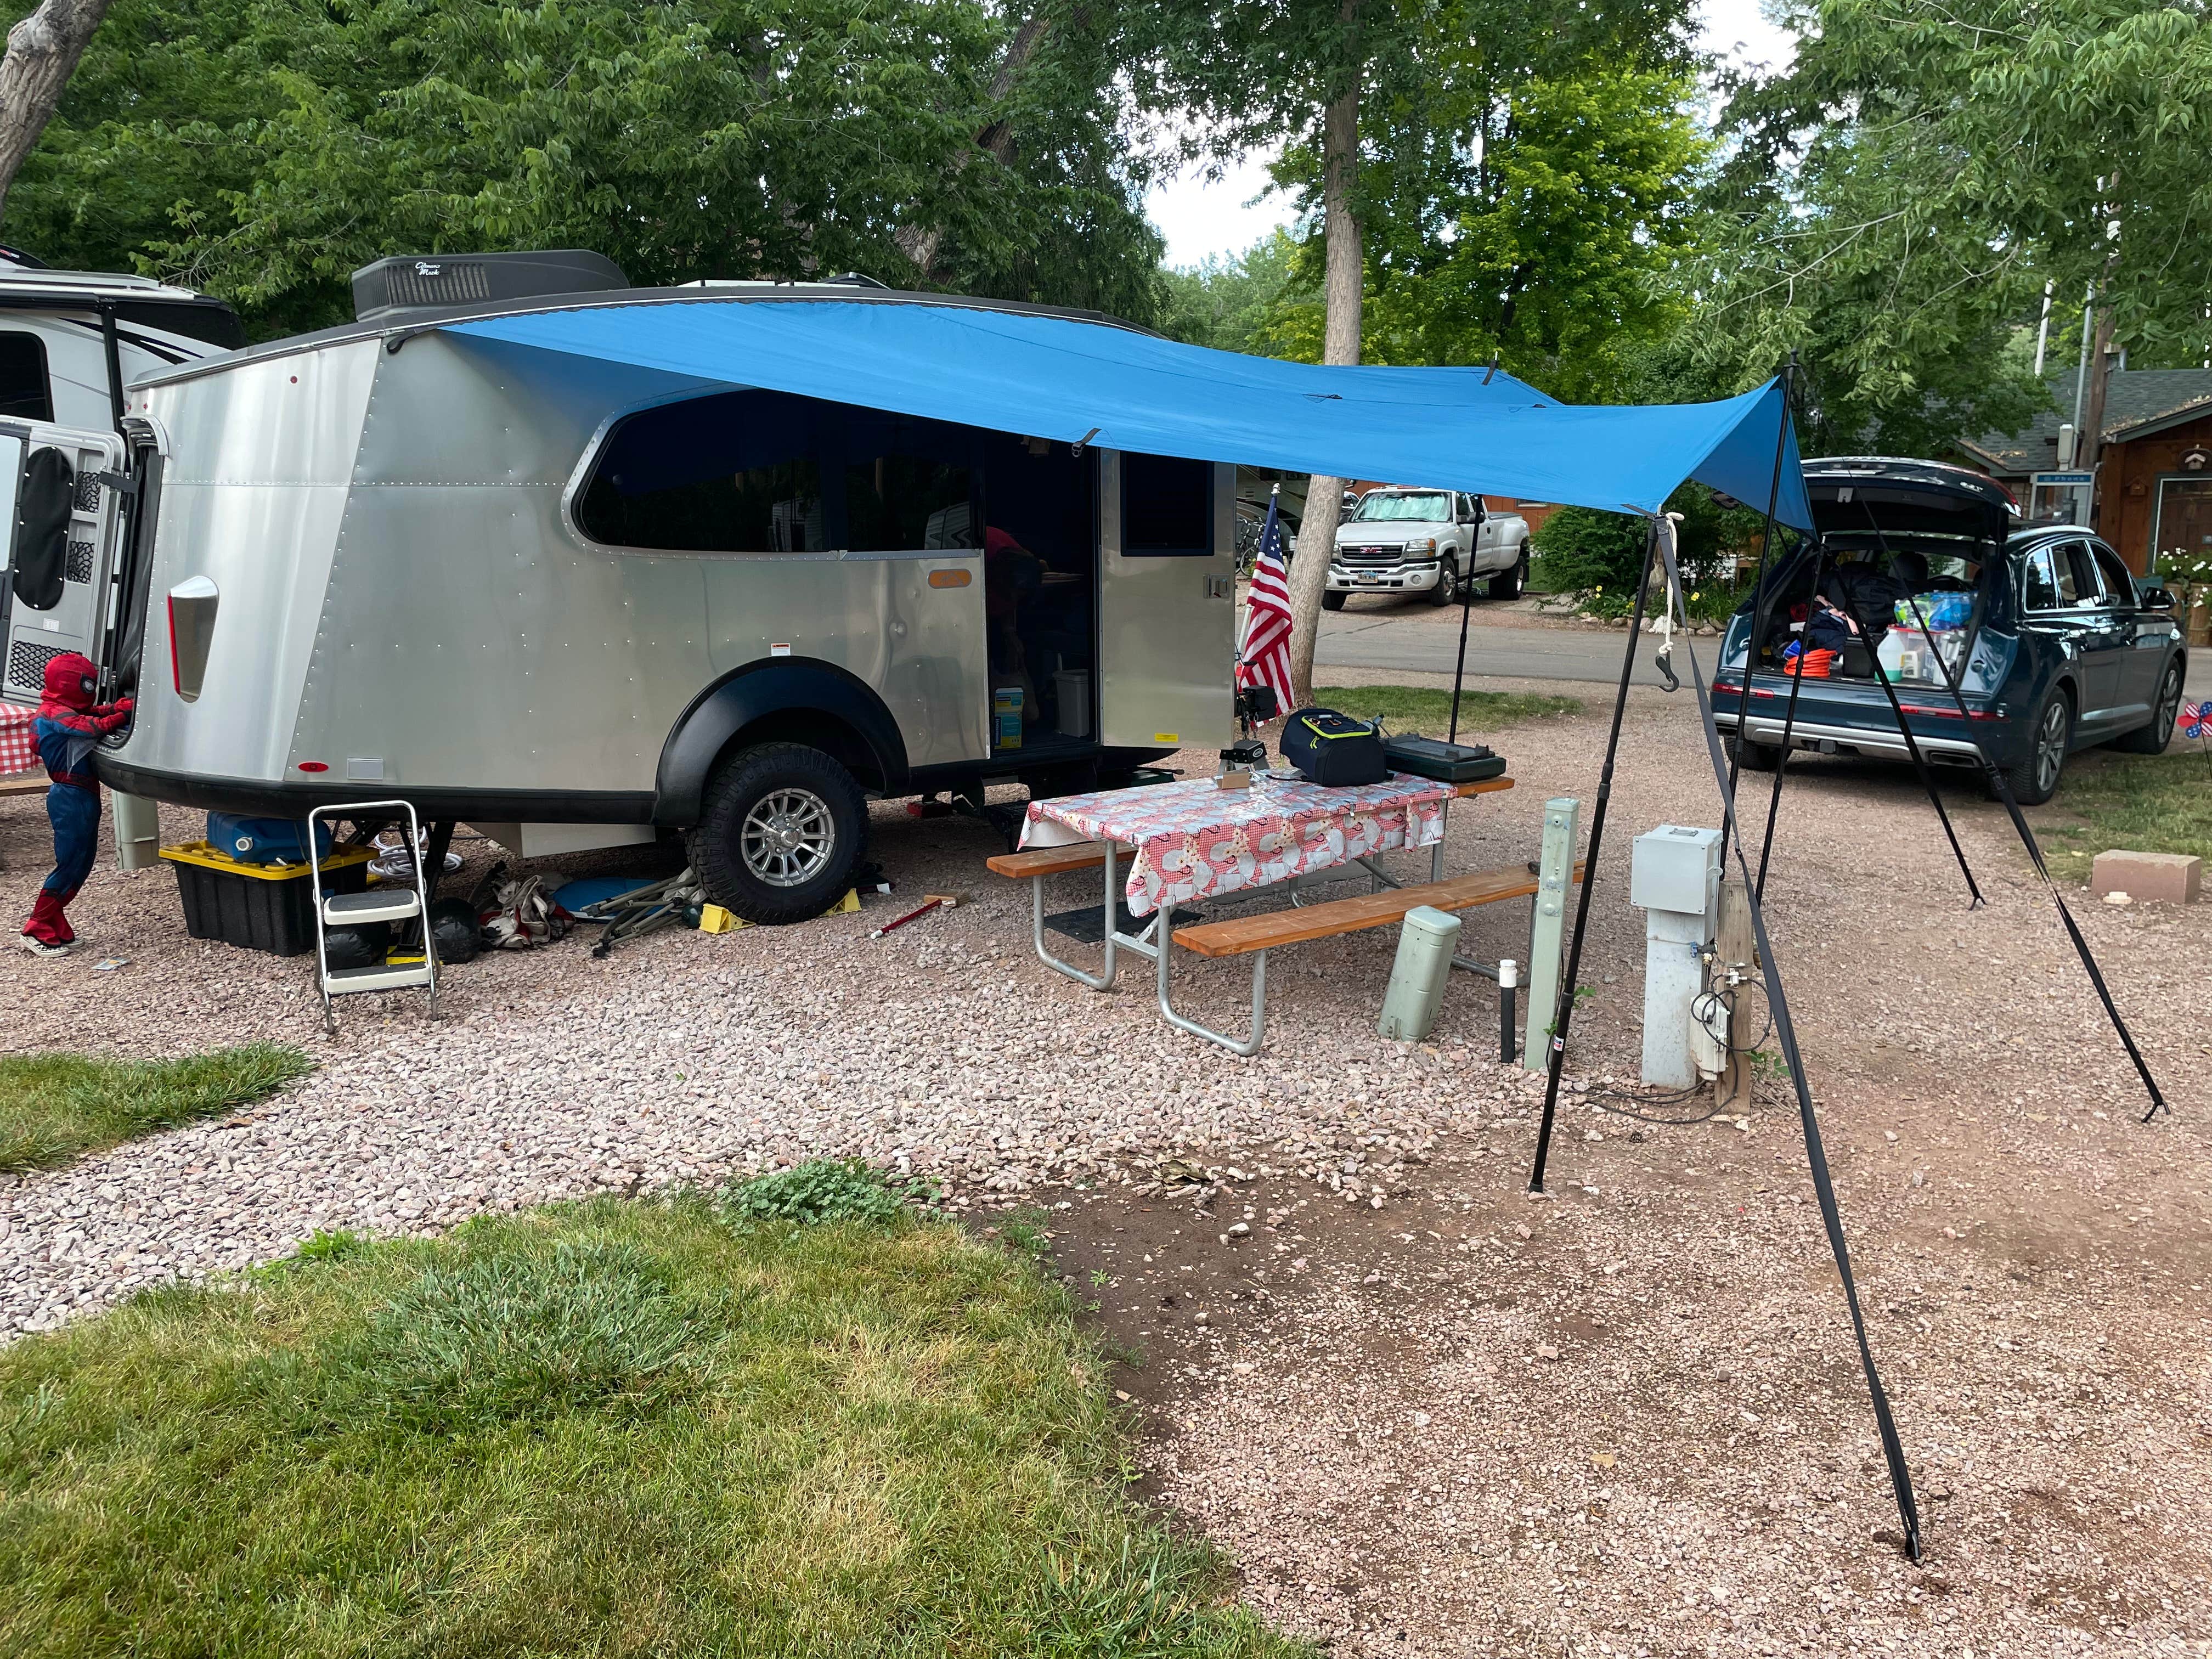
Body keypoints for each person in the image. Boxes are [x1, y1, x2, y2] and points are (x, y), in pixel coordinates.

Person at [20, 652, 132, 956]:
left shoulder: (56, 711)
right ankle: (37, 924)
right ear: (73, 683)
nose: (90, 688)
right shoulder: (53, 715)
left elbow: (90, 714)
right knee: (71, 864)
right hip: (71, 797)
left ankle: (54, 921)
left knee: (79, 863)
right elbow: (91, 727)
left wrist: (117, 708)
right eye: (87, 683)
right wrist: (122, 713)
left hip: (78, 795)